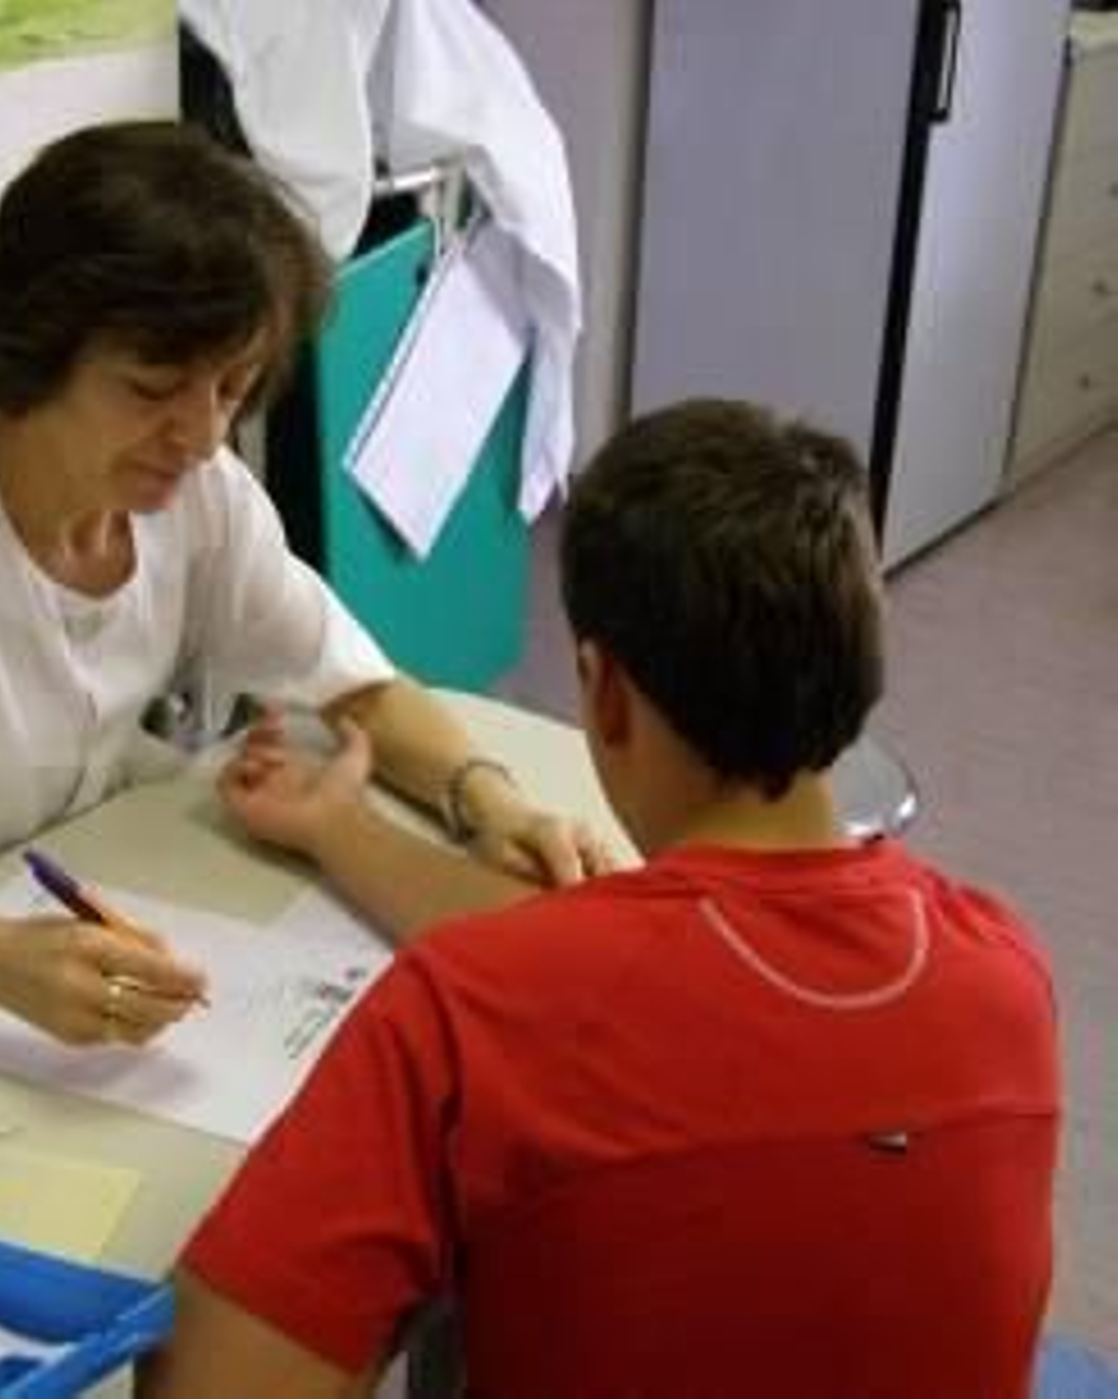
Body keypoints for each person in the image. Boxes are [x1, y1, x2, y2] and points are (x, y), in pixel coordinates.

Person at [141, 399, 1062, 1397]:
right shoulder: (1002, 971)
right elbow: (640, 976)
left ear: (603, 688)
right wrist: (337, 828)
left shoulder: (468, 1011)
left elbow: (218, 1383)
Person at [0, 119, 597, 1053]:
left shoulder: (195, 497)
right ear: (33, 355)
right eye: (153, 388)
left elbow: (355, 685)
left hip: (95, 916)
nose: (201, 438)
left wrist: (489, 799)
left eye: (232, 389)